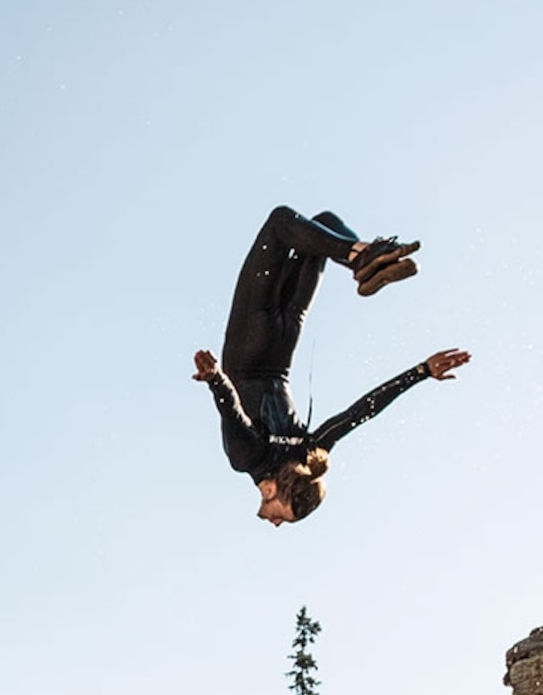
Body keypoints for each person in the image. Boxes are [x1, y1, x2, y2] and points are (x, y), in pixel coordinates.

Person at [193, 205, 469, 524]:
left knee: (322, 225)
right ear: (274, 491)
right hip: (251, 342)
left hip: (285, 341)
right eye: (283, 517)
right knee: (281, 223)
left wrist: (421, 372)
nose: (277, 523)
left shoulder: (308, 451)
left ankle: (364, 258)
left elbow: (358, 414)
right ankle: (360, 258)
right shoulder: (249, 460)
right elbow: (230, 409)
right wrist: (214, 378)